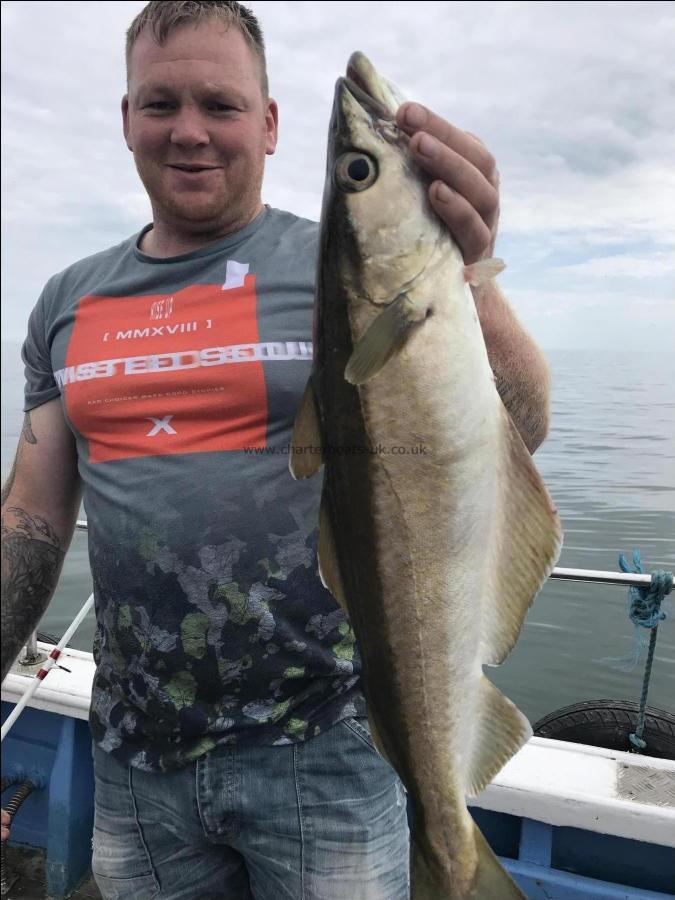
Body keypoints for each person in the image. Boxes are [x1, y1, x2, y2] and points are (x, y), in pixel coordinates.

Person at [0, 2, 551, 897]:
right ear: (126, 117)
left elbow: (515, 424)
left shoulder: (335, 266)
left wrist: (470, 270)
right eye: (160, 103)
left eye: (219, 105)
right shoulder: (68, 300)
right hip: (136, 755)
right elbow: (30, 515)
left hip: (326, 745)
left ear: (268, 123)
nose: (188, 132)